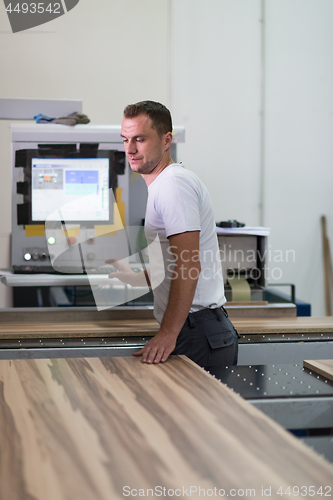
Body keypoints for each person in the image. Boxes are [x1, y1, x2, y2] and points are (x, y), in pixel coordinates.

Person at [108, 100, 239, 369]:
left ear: (166, 140)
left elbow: (189, 263)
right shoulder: (162, 186)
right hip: (194, 328)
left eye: (140, 139)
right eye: (125, 139)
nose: (130, 150)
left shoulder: (173, 185)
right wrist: (135, 278)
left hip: (195, 331)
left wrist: (168, 333)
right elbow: (171, 265)